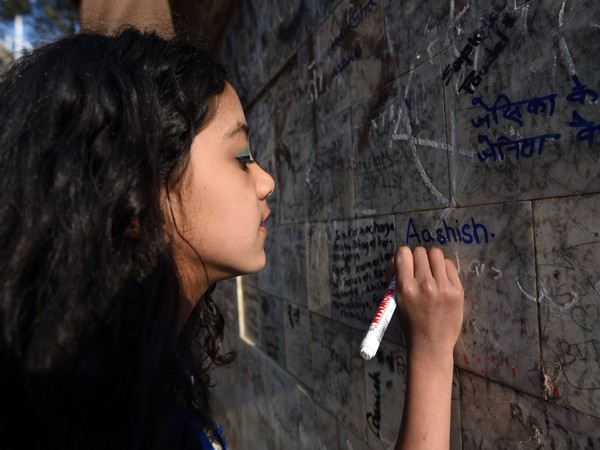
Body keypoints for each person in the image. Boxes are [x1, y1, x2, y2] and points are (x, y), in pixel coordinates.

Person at [0, 29, 464, 450]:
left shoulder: (130, 391)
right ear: (135, 192)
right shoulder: (112, 426)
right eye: (241, 157)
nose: (266, 182)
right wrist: (433, 355)